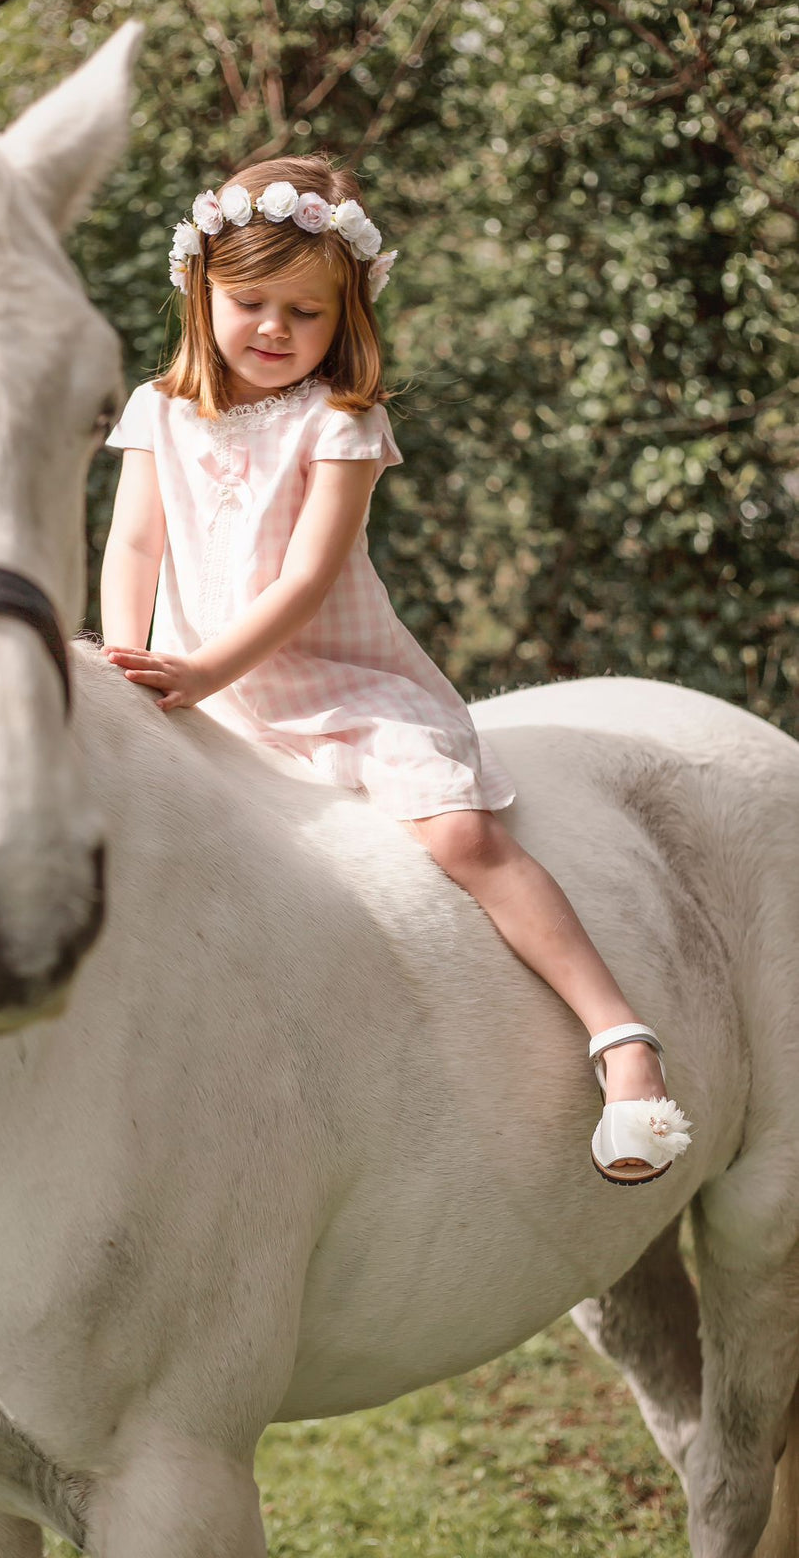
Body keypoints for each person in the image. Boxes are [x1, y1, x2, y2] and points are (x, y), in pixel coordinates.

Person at [101, 155, 692, 1185]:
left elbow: (303, 578)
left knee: (462, 832)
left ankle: (620, 1039)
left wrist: (199, 667)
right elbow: (133, 549)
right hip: (202, 687)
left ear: (345, 319)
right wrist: (124, 659)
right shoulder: (159, 410)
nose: (275, 329)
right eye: (251, 302)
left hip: (336, 687)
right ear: (200, 291)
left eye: (306, 312)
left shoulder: (339, 422)